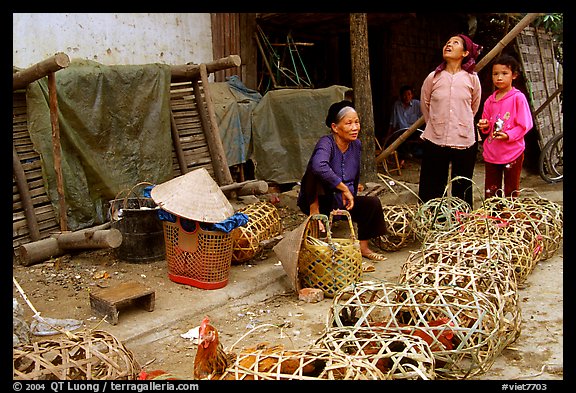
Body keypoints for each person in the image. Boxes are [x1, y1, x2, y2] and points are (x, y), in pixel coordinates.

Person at [297, 100, 387, 262]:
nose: (355, 128)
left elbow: (355, 172)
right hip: (320, 199)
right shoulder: (326, 143)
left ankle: (363, 247)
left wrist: (349, 192)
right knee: (315, 168)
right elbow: (318, 167)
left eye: (357, 122)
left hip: (343, 200)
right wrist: (343, 188)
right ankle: (314, 213)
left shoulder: (356, 145)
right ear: (335, 127)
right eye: (349, 123)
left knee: (372, 204)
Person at [418, 34, 482, 208]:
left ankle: (461, 226)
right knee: (431, 186)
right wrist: (437, 123)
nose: (449, 45)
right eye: (447, 42)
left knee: (462, 186)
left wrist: (460, 123)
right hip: (435, 138)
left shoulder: (472, 79)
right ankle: (430, 223)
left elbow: (473, 108)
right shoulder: (433, 77)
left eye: (455, 43)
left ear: (465, 53)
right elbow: (426, 105)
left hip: (464, 140)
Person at [477, 54, 533, 198]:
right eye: (495, 74)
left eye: (504, 73)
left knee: (511, 191)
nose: (499, 77)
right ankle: (492, 218)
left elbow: (525, 124)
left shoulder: (517, 98)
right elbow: (487, 125)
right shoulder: (490, 100)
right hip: (492, 152)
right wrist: (484, 125)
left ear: (514, 75)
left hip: (513, 152)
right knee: (491, 191)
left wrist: (508, 135)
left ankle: (509, 219)